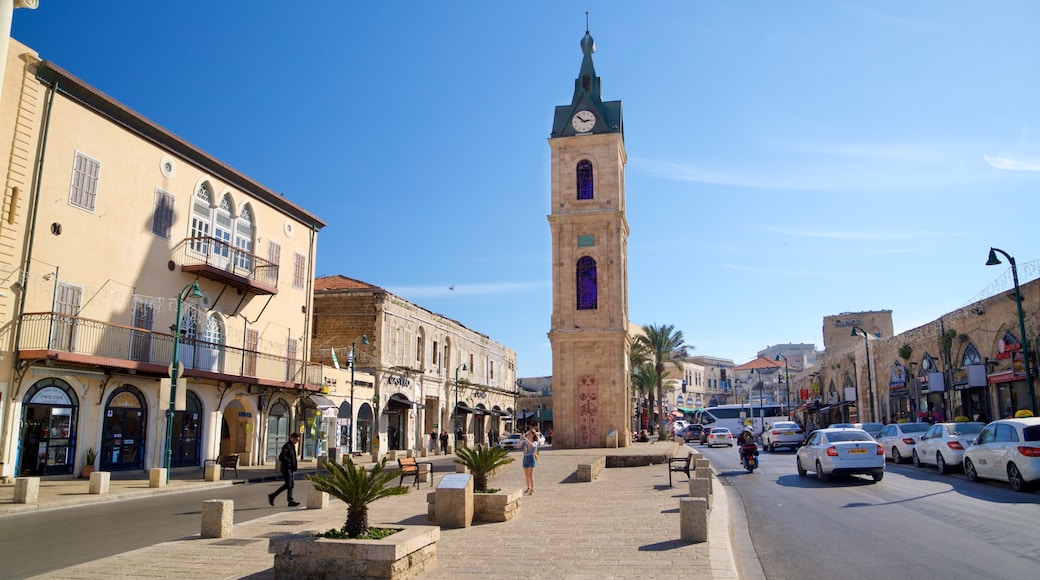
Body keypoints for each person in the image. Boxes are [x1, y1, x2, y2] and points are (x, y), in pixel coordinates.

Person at [268, 432, 301, 507]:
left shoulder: (292, 446)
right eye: (296, 440)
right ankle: (272, 496)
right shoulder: (287, 446)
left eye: (298, 440)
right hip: (286, 468)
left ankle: (290, 500)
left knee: (291, 485)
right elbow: (281, 457)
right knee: (288, 484)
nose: (297, 442)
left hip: (291, 468)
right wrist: (289, 463)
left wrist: (294, 466)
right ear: (292, 438)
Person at [519, 428, 539, 495]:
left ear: (533, 435)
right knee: (526, 475)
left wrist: (525, 439)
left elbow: (531, 445)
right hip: (525, 458)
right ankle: (528, 487)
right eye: (528, 434)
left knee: (530, 475)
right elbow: (518, 446)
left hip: (531, 458)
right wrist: (520, 439)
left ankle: (532, 489)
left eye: (530, 433)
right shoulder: (525, 442)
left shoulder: (535, 442)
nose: (528, 435)